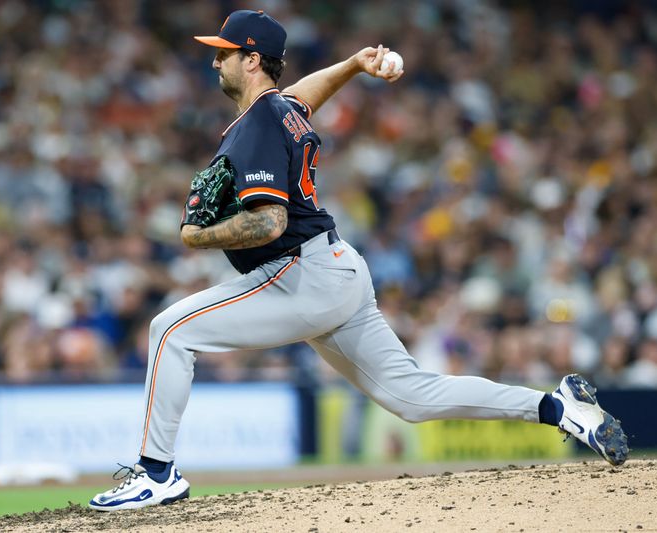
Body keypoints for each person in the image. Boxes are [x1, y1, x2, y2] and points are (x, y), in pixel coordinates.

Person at [88, 10, 628, 511]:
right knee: (412, 396)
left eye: (224, 52)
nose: (214, 60)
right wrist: (350, 64)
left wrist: (195, 237)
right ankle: (558, 408)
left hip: (299, 275)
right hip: (336, 268)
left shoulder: (258, 123)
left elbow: (269, 223)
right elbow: (304, 94)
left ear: (252, 60)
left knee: (169, 330)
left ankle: (156, 472)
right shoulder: (281, 111)